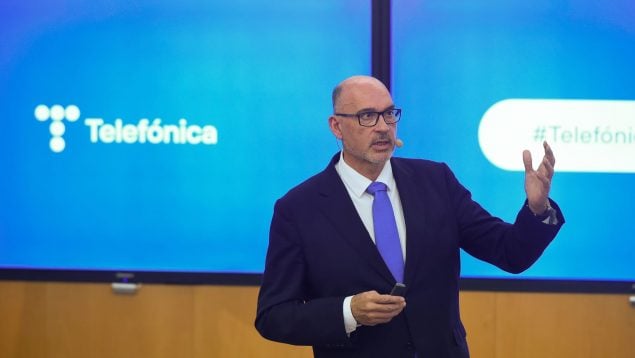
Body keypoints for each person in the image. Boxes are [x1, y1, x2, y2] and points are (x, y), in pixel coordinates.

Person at [255, 75, 564, 358]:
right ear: (336, 126)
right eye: (367, 116)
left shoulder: (436, 181)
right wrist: (349, 312)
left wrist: (537, 209)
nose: (382, 126)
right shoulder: (299, 208)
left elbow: (510, 253)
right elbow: (274, 316)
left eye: (389, 114)